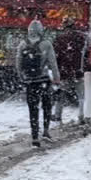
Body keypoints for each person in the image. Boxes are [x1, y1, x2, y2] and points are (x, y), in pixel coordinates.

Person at [16, 19, 60, 147]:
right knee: (47, 105)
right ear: (41, 30)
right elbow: (53, 63)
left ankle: (34, 136)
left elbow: (18, 63)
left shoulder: (23, 44)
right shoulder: (46, 44)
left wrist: (21, 77)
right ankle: (46, 131)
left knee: (32, 109)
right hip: (43, 80)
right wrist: (56, 79)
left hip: (30, 81)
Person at [52, 17, 86, 124]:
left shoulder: (59, 39)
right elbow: (85, 53)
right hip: (77, 71)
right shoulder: (81, 38)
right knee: (81, 95)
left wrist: (57, 71)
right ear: (73, 26)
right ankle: (82, 116)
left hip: (64, 72)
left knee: (61, 95)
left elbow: (55, 57)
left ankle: (57, 115)